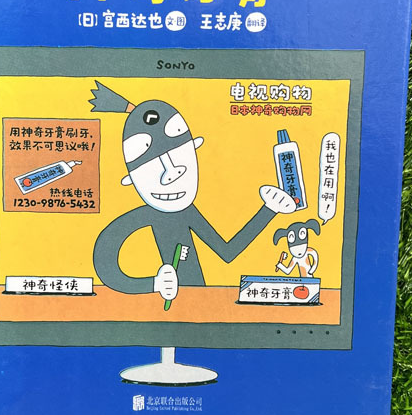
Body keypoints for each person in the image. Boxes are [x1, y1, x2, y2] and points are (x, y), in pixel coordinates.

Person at [90, 83, 295, 303]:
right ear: (131, 179)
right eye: (152, 165)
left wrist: (268, 210)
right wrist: (153, 284)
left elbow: (227, 252)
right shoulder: (144, 216)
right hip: (161, 310)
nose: (172, 173)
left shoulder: (187, 211)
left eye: (178, 156)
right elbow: (105, 261)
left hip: (200, 304)